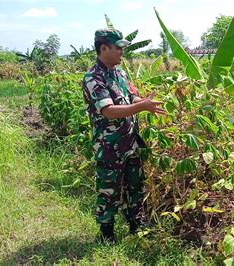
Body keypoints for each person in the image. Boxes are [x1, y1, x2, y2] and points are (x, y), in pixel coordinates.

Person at [82, 28, 166, 244]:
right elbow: (109, 110)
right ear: (103, 48)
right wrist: (142, 106)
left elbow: (130, 98)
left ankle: (136, 224)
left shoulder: (120, 73)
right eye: (117, 47)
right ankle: (106, 232)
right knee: (109, 188)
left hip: (130, 140)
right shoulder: (93, 78)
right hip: (109, 145)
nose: (121, 51)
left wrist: (146, 104)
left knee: (134, 183)